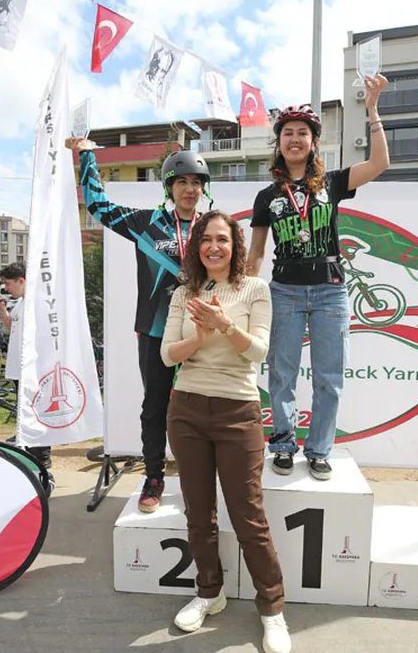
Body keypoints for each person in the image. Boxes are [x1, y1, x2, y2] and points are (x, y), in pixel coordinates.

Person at [246, 77, 392, 482]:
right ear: (279, 143)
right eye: (288, 133)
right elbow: (257, 252)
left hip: (330, 292)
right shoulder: (266, 197)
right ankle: (283, 443)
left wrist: (373, 111)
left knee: (330, 377)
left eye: (302, 133)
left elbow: (379, 164)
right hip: (285, 293)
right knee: (282, 374)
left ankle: (320, 450)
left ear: (313, 142)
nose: (295, 139)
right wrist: (244, 294)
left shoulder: (333, 184)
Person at [160, 210, 290, 653]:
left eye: (223, 239)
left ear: (235, 246)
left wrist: (223, 324)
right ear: (197, 248)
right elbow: (167, 356)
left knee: (249, 517)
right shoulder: (184, 292)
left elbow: (257, 351)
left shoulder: (255, 289)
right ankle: (208, 594)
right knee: (199, 514)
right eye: (206, 240)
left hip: (238, 411)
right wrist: (198, 335)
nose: (214, 247)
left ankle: (272, 610)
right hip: (187, 410)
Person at [65, 136, 214, 512]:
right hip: (155, 330)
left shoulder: (212, 227)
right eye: (182, 182)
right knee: (155, 407)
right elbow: (98, 206)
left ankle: (201, 478)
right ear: (169, 187)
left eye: (196, 183)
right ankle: (154, 475)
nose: (190, 189)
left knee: (203, 405)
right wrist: (86, 158)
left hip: (200, 330)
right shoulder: (146, 222)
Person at [0, 263, 52, 472]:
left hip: (31, 368)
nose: (6, 288)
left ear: (22, 280)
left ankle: (42, 457)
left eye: (8, 284)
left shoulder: (38, 302)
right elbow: (11, 327)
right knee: (24, 412)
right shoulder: (20, 303)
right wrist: (2, 309)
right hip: (18, 368)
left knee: (36, 412)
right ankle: (29, 450)